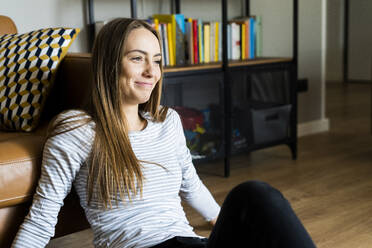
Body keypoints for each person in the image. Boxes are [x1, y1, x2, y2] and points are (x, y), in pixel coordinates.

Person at [12, 18, 316, 248]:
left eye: (156, 61)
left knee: (256, 199)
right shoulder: (77, 130)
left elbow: (190, 183)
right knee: (252, 193)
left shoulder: (167, 121)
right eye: (137, 58)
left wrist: (223, 221)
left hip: (190, 242)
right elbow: (42, 216)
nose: (151, 72)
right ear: (108, 65)